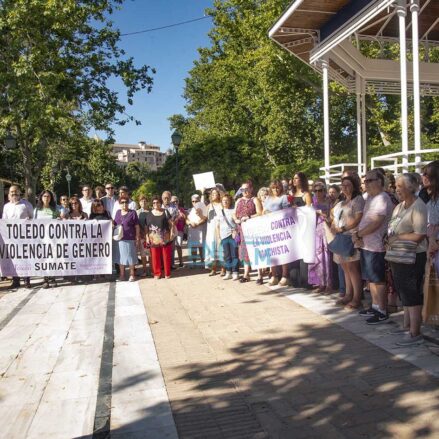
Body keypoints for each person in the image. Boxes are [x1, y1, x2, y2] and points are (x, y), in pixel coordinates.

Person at [387, 174, 428, 346]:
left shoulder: (418, 206)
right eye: (396, 186)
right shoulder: (400, 206)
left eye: (400, 186)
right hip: (398, 255)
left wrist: (398, 237)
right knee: (404, 292)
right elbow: (392, 226)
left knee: (412, 293)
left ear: (411, 187)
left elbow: (419, 235)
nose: (397, 189)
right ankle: (407, 325)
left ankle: (415, 333)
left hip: (413, 256)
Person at [353, 170, 394, 321]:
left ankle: (381, 310)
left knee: (378, 279)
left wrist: (358, 234)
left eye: (370, 181)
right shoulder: (370, 198)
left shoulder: (382, 198)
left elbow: (376, 222)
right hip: (366, 244)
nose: (366, 184)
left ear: (380, 181)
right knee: (371, 278)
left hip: (376, 245)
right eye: (365, 181)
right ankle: (375, 306)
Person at [331, 176, 365, 309]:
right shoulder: (341, 203)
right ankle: (348, 294)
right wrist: (334, 226)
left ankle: (357, 297)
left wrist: (343, 228)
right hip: (340, 237)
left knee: (353, 268)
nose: (344, 187)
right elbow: (334, 216)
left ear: (354, 186)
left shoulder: (358, 200)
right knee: (345, 267)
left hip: (351, 237)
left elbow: (358, 219)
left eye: (348, 185)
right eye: (343, 185)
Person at [3, 185, 33, 289]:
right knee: (14, 259)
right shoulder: (6, 206)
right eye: (11, 192)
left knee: (25, 258)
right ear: (9, 194)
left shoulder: (26, 205)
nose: (13, 193)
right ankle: (15, 281)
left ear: (19, 192)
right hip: (11, 238)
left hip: (24, 237)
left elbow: (33, 219)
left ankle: (26, 280)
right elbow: (4, 221)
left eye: (15, 191)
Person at [234, 181, 262, 283]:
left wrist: (249, 217)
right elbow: (234, 214)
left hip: (253, 230)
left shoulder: (255, 200)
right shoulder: (239, 201)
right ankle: (246, 274)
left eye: (246, 189)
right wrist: (236, 219)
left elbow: (260, 213)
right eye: (242, 189)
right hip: (241, 229)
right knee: (244, 251)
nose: (244, 191)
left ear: (251, 189)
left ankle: (260, 274)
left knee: (256, 250)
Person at [263, 180, 290, 286]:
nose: (275, 189)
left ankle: (284, 276)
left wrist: (274, 214)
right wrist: (266, 213)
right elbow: (263, 211)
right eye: (273, 188)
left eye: (277, 187)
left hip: (280, 229)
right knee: (272, 253)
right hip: (269, 229)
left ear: (281, 188)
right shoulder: (268, 198)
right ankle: (274, 276)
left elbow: (287, 212)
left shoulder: (284, 197)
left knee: (282, 252)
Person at [308, 182, 332, 293]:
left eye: (320, 190)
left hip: (326, 231)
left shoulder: (329, 202)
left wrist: (320, 213)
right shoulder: (312, 204)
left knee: (326, 258)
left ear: (324, 191)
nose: (318, 193)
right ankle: (320, 283)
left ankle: (329, 283)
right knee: (318, 258)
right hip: (315, 232)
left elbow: (330, 217)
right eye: (315, 191)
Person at [289, 172, 312, 288]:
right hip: (292, 227)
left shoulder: (306, 194)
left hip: (303, 227)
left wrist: (298, 209)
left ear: (302, 180)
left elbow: (309, 211)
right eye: (293, 178)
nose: (294, 180)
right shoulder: (291, 194)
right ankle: (294, 279)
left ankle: (305, 280)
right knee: (294, 252)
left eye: (296, 178)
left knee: (303, 253)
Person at [34, 190, 60, 288]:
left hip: (52, 238)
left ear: (51, 198)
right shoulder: (36, 210)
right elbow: (33, 223)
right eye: (44, 196)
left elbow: (60, 222)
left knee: (52, 258)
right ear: (41, 198)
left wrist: (59, 220)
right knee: (43, 258)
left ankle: (52, 277)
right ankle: (45, 279)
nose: (46, 198)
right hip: (41, 239)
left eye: (48, 196)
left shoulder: (54, 209)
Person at [145, 195, 173, 279]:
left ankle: (167, 273)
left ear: (160, 203)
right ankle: (157, 273)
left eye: (157, 202)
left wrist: (171, 233)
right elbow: (146, 227)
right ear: (152, 204)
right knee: (155, 258)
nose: (156, 204)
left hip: (165, 238)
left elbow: (171, 224)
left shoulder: (166, 212)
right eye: (154, 203)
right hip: (153, 239)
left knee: (166, 257)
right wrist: (146, 237)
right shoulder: (149, 214)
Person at [114, 196, 140, 282]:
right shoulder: (117, 212)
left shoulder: (132, 213)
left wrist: (137, 237)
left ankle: (132, 274)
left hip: (130, 238)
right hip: (119, 239)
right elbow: (114, 223)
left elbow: (137, 226)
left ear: (128, 203)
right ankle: (122, 275)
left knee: (131, 257)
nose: (124, 204)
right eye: (122, 202)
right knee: (121, 258)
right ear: (119, 203)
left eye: (126, 202)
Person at [218, 194, 239, 280]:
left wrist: (235, 231)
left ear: (230, 201)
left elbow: (236, 222)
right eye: (223, 200)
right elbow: (218, 226)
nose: (225, 202)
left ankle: (235, 272)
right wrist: (219, 237)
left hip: (232, 235)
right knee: (227, 255)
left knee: (234, 254)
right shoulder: (220, 212)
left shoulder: (233, 210)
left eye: (227, 200)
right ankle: (228, 272)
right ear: (221, 202)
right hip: (223, 236)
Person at [204, 188, 224, 276]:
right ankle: (213, 269)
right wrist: (202, 193)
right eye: (212, 194)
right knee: (212, 248)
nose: (214, 195)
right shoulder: (209, 206)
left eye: (216, 193)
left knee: (221, 248)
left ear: (219, 194)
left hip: (220, 228)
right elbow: (203, 213)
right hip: (211, 229)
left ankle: (223, 269)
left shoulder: (222, 204)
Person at [186, 194, 207, 268]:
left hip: (200, 230)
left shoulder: (203, 209)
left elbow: (205, 219)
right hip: (192, 231)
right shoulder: (189, 210)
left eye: (196, 201)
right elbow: (186, 219)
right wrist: (190, 223)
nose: (195, 202)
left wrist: (197, 223)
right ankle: (194, 262)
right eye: (193, 201)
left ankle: (202, 262)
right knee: (193, 247)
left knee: (201, 247)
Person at [255, 187, 270, 285]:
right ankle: (259, 275)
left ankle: (272, 272)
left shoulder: (271, 204)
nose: (264, 196)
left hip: (269, 231)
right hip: (259, 231)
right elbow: (257, 214)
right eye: (262, 194)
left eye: (266, 194)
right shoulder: (257, 204)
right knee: (259, 251)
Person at [137, 196, 150, 277]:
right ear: (139, 203)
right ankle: (145, 270)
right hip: (141, 236)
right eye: (142, 201)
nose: (143, 203)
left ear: (147, 202)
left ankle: (152, 270)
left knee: (151, 254)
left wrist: (148, 235)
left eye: (145, 201)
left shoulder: (151, 212)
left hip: (151, 236)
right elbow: (136, 225)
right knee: (143, 254)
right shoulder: (137, 212)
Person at [171, 195, 186, 268]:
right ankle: (172, 263)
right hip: (172, 230)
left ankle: (181, 262)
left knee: (179, 245)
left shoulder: (181, 209)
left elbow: (185, 218)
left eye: (177, 201)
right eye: (173, 201)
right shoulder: (170, 209)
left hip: (180, 230)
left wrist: (181, 214)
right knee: (172, 247)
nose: (175, 202)